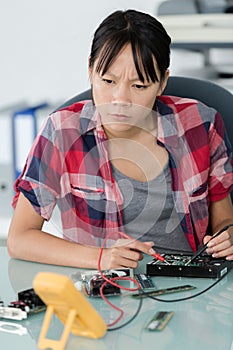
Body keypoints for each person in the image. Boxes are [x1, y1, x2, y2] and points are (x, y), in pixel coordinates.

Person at [7, 9, 233, 270]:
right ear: (90, 71)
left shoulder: (201, 124)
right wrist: (100, 258)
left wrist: (227, 238)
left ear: (162, 83)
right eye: (108, 81)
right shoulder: (61, 132)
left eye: (139, 86)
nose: (120, 100)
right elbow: (19, 239)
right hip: (105, 289)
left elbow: (224, 222)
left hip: (192, 286)